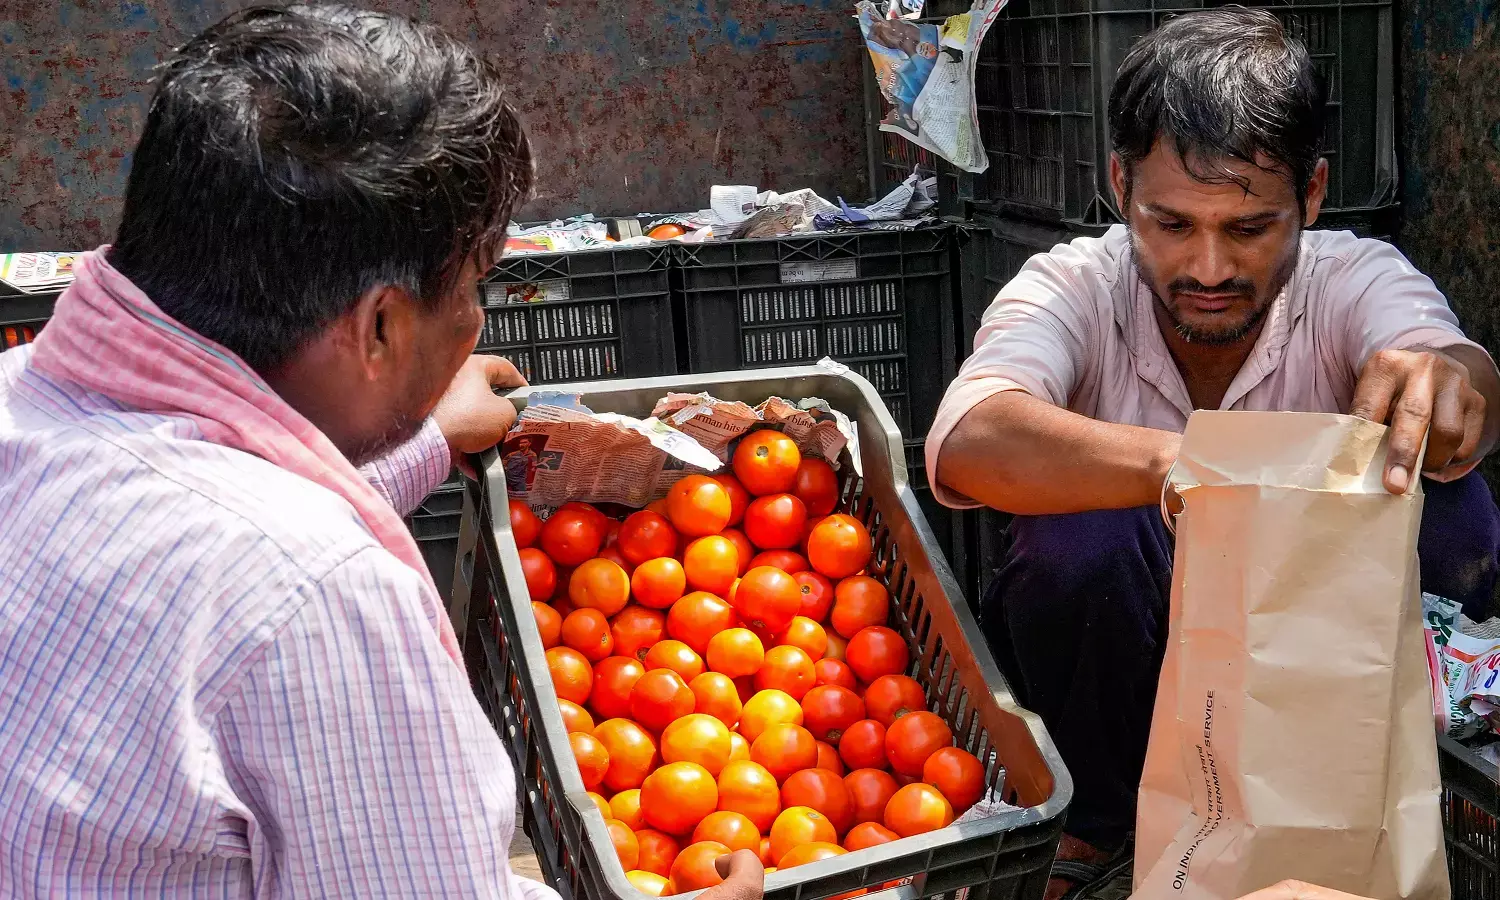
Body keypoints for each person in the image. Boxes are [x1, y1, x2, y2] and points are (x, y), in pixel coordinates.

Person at [0, 6, 765, 899]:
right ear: (380, 327)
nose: (474, 321)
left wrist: (426, 438)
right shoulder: (323, 601)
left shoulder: (22, 403)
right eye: (475, 288)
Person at [925, 8, 1500, 898]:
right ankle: (1095, 830)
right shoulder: (1074, 286)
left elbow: (1457, 372)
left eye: (1249, 229)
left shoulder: (1352, 278)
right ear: (1120, 185)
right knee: (1081, 545)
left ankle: (1397, 799)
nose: (1207, 269)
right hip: (1134, 683)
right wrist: (1196, 466)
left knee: (1450, 505)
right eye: (1171, 224)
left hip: (1322, 687)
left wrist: (1452, 385)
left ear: (1312, 195)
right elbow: (971, 439)